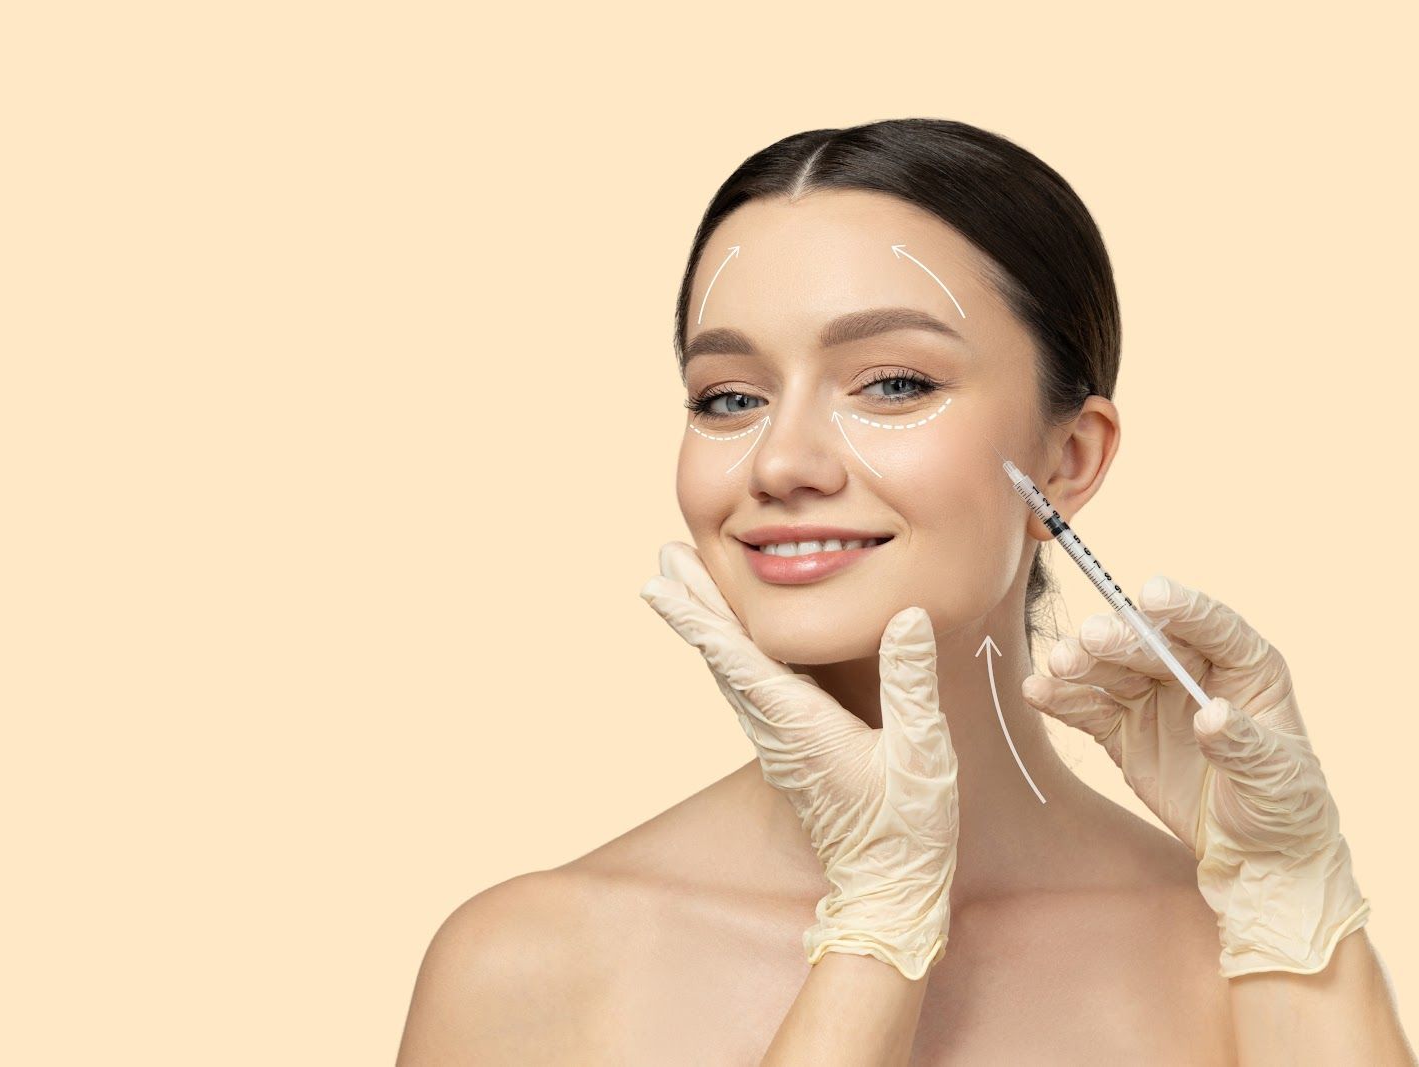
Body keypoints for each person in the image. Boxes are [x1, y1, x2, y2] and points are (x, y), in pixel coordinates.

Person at [396, 118, 1415, 1064]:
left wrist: (1291, 912)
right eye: (730, 397)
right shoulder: (531, 964)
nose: (780, 460)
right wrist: (876, 930)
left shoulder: (1238, 952)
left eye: (891, 383)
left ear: (1065, 458)